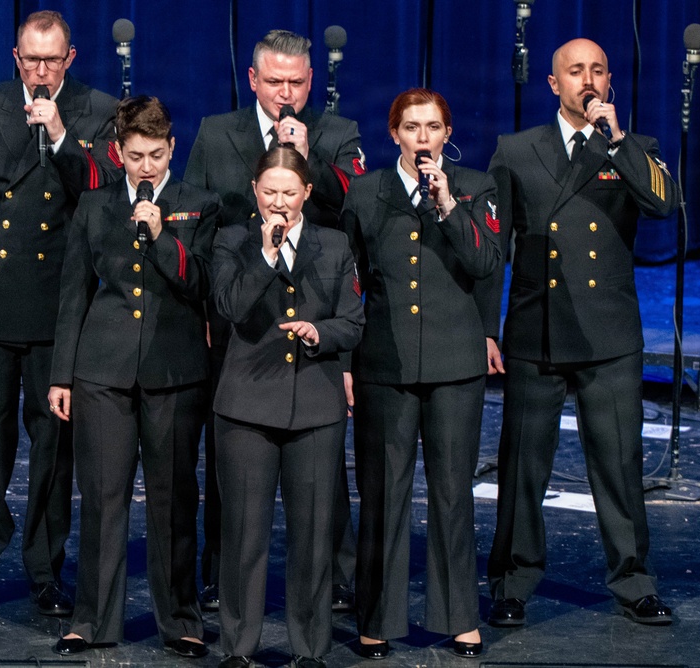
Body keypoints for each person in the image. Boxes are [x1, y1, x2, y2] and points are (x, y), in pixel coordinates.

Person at [0, 10, 122, 620]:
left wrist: (62, 135)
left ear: (71, 58)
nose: (41, 72)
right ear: (16, 58)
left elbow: (103, 192)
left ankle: (46, 569)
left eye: (52, 61)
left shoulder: (97, 109)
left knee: (54, 448)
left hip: (59, 306)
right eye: (31, 60)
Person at [485, 38, 677, 628]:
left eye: (597, 70)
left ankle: (634, 580)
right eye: (575, 71)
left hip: (608, 333)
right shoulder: (517, 150)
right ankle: (512, 581)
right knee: (523, 466)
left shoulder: (635, 148)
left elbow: (663, 205)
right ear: (554, 84)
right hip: (536, 327)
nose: (587, 80)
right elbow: (492, 246)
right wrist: (486, 328)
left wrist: (616, 142)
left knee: (619, 462)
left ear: (609, 80)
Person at [185, 29, 364, 613]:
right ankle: (222, 574)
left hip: (315, 318)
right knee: (232, 454)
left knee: (321, 459)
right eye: (274, 81)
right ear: (253, 79)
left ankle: (337, 576)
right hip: (240, 316)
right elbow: (200, 224)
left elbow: (354, 213)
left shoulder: (336, 133)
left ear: (311, 82)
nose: (285, 93)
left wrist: (311, 160)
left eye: (296, 82)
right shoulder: (218, 132)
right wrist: (204, 308)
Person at [47, 96, 219, 658]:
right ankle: (92, 620)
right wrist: (62, 375)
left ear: (173, 149)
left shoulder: (199, 203)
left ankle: (182, 620)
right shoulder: (94, 205)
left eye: (158, 155)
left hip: (174, 369)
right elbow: (74, 292)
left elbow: (202, 285)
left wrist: (162, 235)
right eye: (137, 156)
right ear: (118, 153)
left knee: (174, 499)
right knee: (102, 496)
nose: (148, 167)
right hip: (103, 369)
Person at [341, 89, 502, 660]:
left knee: (453, 491)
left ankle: (459, 616)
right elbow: (350, 280)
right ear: (395, 135)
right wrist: (346, 361)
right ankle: (377, 618)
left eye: (433, 127)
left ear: (446, 133)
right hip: (385, 363)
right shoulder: (367, 193)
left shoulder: (476, 187)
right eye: (412, 127)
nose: (423, 137)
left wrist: (448, 204)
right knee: (383, 492)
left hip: (454, 364)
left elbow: (486, 263)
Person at [210, 146, 365, 668]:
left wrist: (320, 332)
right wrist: (266, 256)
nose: (279, 203)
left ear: (307, 193)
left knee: (314, 535)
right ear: (255, 191)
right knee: (243, 533)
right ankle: (239, 646)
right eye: (270, 192)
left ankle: (310, 648)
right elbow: (230, 306)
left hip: (315, 405)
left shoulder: (334, 244)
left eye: (289, 193)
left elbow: (353, 322)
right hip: (247, 404)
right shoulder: (232, 241)